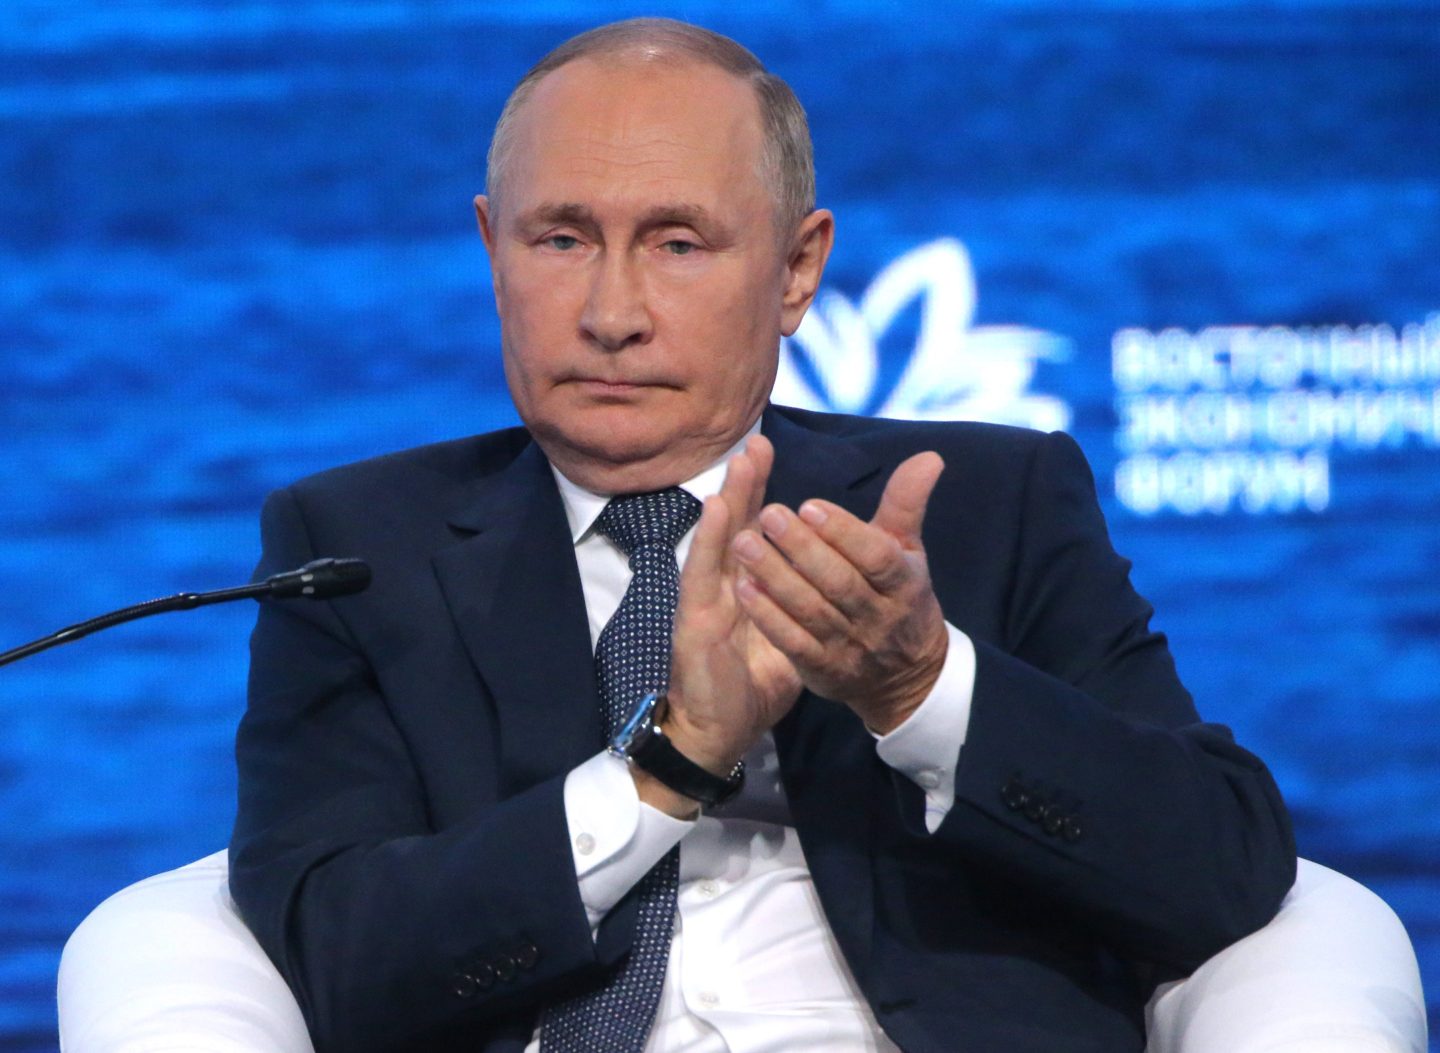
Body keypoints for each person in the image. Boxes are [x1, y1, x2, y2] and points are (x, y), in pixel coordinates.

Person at [229, 17, 1295, 1053]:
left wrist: (919, 686)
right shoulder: (355, 548)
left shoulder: (991, 503)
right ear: (490, 250)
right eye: (561, 238)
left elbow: (1220, 871)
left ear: (796, 270)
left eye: (677, 243)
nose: (612, 312)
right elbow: (336, 959)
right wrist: (670, 764)